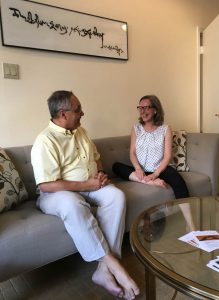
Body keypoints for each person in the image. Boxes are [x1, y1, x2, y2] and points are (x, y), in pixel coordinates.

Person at [31, 90, 139, 300]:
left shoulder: (81, 131)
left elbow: (96, 158)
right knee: (72, 204)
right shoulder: (45, 141)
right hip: (56, 193)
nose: (83, 113)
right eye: (78, 109)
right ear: (63, 114)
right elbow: (46, 185)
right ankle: (114, 265)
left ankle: (103, 271)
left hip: (89, 185)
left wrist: (99, 175)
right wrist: (85, 186)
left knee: (116, 196)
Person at [112, 94, 190, 199]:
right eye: (140, 108)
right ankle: (150, 182)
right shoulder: (136, 129)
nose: (142, 111)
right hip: (142, 171)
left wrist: (155, 174)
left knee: (178, 181)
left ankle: (189, 216)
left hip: (160, 169)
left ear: (155, 110)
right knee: (116, 166)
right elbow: (132, 153)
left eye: (146, 108)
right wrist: (138, 169)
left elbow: (167, 156)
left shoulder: (165, 129)